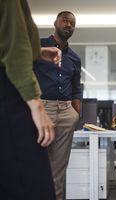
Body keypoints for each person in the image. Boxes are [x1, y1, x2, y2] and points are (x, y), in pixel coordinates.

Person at [0, 0, 62, 199]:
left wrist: (36, 52)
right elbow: (14, 45)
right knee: (34, 185)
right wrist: (37, 106)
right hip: (9, 91)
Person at [34, 11, 82, 200]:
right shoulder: (38, 47)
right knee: (36, 165)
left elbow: (77, 89)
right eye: (65, 20)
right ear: (55, 22)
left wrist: (76, 114)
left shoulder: (75, 58)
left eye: (72, 22)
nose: (68, 25)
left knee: (58, 171)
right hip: (41, 110)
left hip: (65, 113)